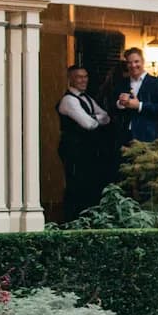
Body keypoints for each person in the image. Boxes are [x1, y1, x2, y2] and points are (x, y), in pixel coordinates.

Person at [57, 64, 113, 219]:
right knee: (75, 184)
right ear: (70, 79)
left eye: (85, 76)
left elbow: (106, 116)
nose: (83, 80)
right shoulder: (68, 100)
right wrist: (96, 118)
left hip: (86, 149)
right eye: (79, 77)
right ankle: (72, 218)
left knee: (88, 183)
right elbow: (89, 124)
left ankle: (86, 217)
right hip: (73, 148)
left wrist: (95, 118)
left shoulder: (87, 98)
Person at [113, 47, 158, 145]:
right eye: (129, 62)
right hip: (124, 136)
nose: (133, 65)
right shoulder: (121, 83)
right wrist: (120, 103)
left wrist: (139, 105)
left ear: (143, 62)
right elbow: (112, 106)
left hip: (148, 136)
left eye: (136, 61)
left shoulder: (157, 83)